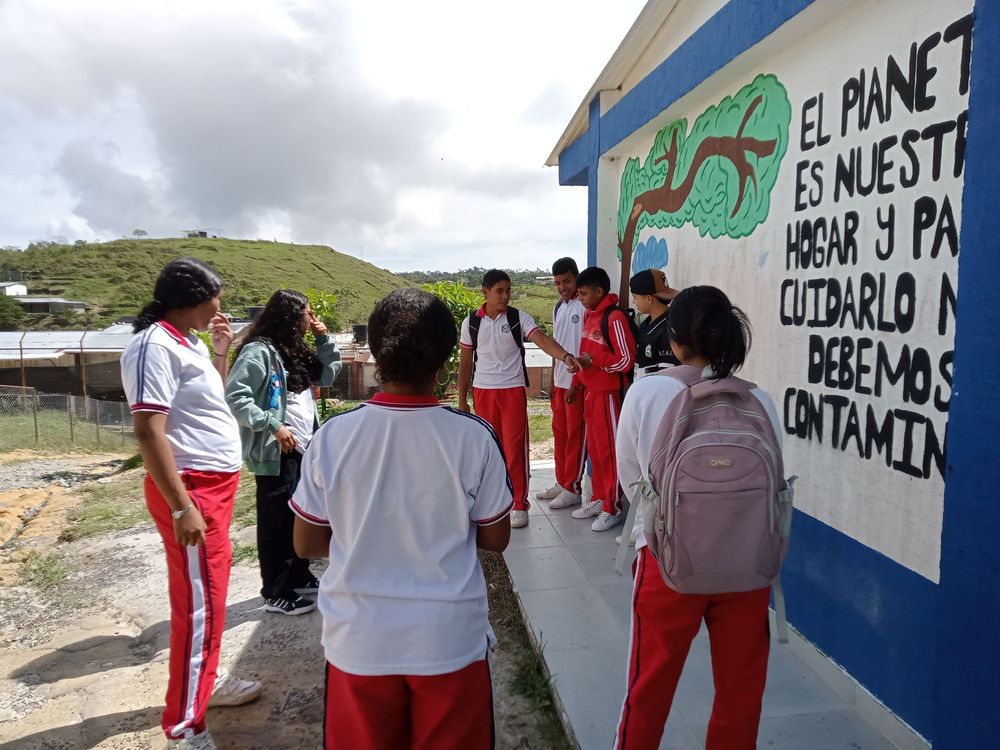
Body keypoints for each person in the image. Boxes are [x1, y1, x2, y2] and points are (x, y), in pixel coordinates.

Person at [290, 288, 513, 750]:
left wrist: (369, 538)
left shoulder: (333, 437)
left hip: (359, 642)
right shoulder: (474, 438)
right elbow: (496, 537)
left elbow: (307, 543)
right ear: (448, 360)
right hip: (449, 641)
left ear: (373, 353)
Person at [613, 286, 782, 749]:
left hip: (669, 566)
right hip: (747, 568)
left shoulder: (646, 393)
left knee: (648, 689)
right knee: (740, 695)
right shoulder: (760, 401)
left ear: (673, 337)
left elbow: (631, 481)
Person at [120, 258, 261, 750]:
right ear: (191, 297)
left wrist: (219, 353)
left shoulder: (190, 342)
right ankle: (185, 728)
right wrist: (182, 507)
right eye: (214, 297)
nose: (219, 307)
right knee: (199, 608)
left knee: (213, 599)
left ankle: (209, 684)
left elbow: (210, 403)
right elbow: (147, 430)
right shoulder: (152, 345)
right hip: (191, 487)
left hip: (214, 486)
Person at [225, 290, 342, 616]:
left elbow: (329, 373)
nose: (312, 318)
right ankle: (275, 591)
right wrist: (273, 425)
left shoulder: (294, 350)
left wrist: (323, 340)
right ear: (292, 316)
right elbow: (236, 397)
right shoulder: (258, 352)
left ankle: (298, 574)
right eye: (308, 312)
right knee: (275, 521)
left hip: (303, 447)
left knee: (298, 515)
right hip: (277, 449)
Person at [457, 269, 577, 528]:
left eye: (508, 290)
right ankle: (491, 502)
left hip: (511, 390)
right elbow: (465, 363)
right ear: (485, 292)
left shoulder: (517, 318)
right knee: (488, 450)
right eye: (499, 291)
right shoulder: (471, 323)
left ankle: (519, 504)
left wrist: (564, 356)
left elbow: (542, 340)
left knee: (515, 449)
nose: (505, 296)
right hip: (482, 392)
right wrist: (462, 398)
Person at [568, 266, 636, 532]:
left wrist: (594, 361)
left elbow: (625, 358)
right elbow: (585, 352)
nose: (581, 298)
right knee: (596, 451)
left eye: (584, 293)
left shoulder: (614, 317)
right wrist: (577, 380)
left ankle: (613, 507)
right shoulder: (590, 316)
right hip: (591, 393)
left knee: (609, 451)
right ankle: (599, 498)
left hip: (608, 395)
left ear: (599, 291)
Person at [535, 257, 588, 510]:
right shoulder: (558, 307)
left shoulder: (585, 305)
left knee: (575, 436)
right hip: (560, 382)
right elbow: (556, 345)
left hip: (579, 382)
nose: (562, 287)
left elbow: (586, 348)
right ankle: (562, 480)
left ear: (576, 278)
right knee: (560, 434)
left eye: (566, 281)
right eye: (557, 283)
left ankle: (573, 487)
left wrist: (577, 380)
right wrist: (555, 381)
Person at [629, 269, 680, 379]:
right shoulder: (646, 325)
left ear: (648, 298)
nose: (633, 302)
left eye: (635, 297)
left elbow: (667, 378)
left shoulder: (668, 330)